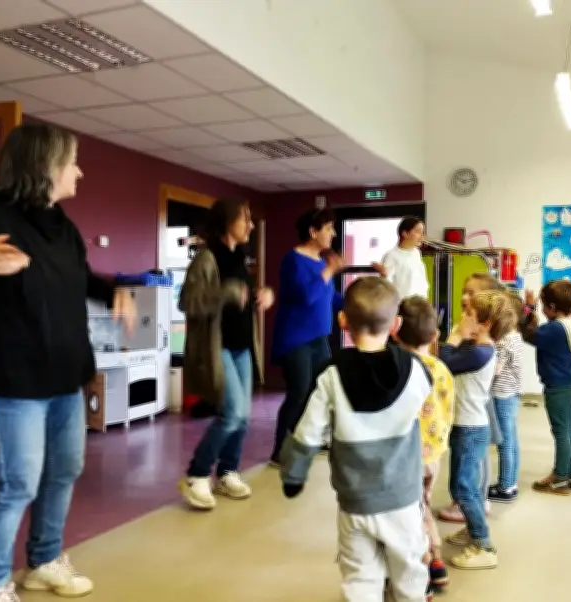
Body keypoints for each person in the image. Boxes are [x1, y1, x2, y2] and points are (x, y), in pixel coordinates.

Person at [0, 123, 136, 602]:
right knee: (16, 483)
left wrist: (114, 290)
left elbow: (80, 278)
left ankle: (43, 560)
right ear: (45, 167)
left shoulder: (63, 226)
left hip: (64, 379)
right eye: (72, 161)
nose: (78, 171)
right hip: (9, 382)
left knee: (63, 470)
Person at [280, 277, 432, 602]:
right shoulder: (416, 370)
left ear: (343, 320)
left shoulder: (331, 374)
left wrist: (293, 474)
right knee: (409, 574)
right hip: (403, 499)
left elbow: (307, 432)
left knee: (360, 578)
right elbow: (430, 413)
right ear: (396, 324)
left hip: (356, 502)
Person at [178, 198, 274, 510]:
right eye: (244, 218)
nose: (249, 225)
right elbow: (189, 302)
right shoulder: (207, 258)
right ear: (226, 222)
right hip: (218, 347)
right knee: (232, 414)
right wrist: (227, 293)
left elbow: (241, 296)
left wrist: (263, 293)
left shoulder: (239, 257)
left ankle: (228, 471)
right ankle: (196, 474)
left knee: (243, 417)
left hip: (242, 345)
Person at [440, 290, 516, 570]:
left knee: (464, 487)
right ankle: (473, 530)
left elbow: (444, 361)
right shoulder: (478, 348)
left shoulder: (481, 352)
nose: (463, 318)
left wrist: (454, 337)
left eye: (469, 314)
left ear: (485, 324)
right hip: (465, 426)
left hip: (471, 428)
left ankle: (483, 544)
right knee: (458, 485)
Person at [270, 208, 344, 465]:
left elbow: (330, 298)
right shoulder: (292, 260)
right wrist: (329, 271)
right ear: (313, 232)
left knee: (319, 391)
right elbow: (306, 296)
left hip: (319, 338)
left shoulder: (323, 263)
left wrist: (357, 305)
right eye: (328, 228)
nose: (333, 234)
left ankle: (306, 441)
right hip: (295, 339)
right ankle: (280, 451)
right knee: (299, 392)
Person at [394, 296, 455, 595]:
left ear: (394, 331)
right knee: (424, 504)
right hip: (434, 452)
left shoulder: (397, 368)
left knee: (410, 513)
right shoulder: (441, 368)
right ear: (435, 337)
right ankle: (438, 562)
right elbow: (448, 409)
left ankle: (424, 563)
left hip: (407, 457)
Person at [438, 272, 504, 522]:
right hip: (465, 407)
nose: (465, 297)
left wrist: (455, 339)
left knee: (473, 461)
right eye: (464, 291)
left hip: (475, 409)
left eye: (472, 293)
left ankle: (476, 510)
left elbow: (448, 362)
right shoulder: (467, 328)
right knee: (465, 462)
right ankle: (467, 502)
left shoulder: (480, 343)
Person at [520, 280, 571, 495]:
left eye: (542, 304)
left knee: (561, 432)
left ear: (551, 308)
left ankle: (560, 477)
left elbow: (528, 334)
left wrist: (528, 309)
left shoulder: (555, 329)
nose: (540, 308)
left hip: (558, 387)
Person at [487, 293, 525, 503]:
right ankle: (510, 481)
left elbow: (495, 370)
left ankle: (505, 487)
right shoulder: (516, 336)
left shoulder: (503, 342)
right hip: (513, 393)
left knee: (505, 442)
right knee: (512, 440)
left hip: (502, 395)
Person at [371, 215, 428, 299]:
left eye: (422, 232)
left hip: (420, 303)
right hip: (403, 305)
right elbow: (387, 286)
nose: (421, 236)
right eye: (418, 231)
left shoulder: (416, 253)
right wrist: (384, 274)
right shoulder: (391, 255)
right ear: (405, 234)